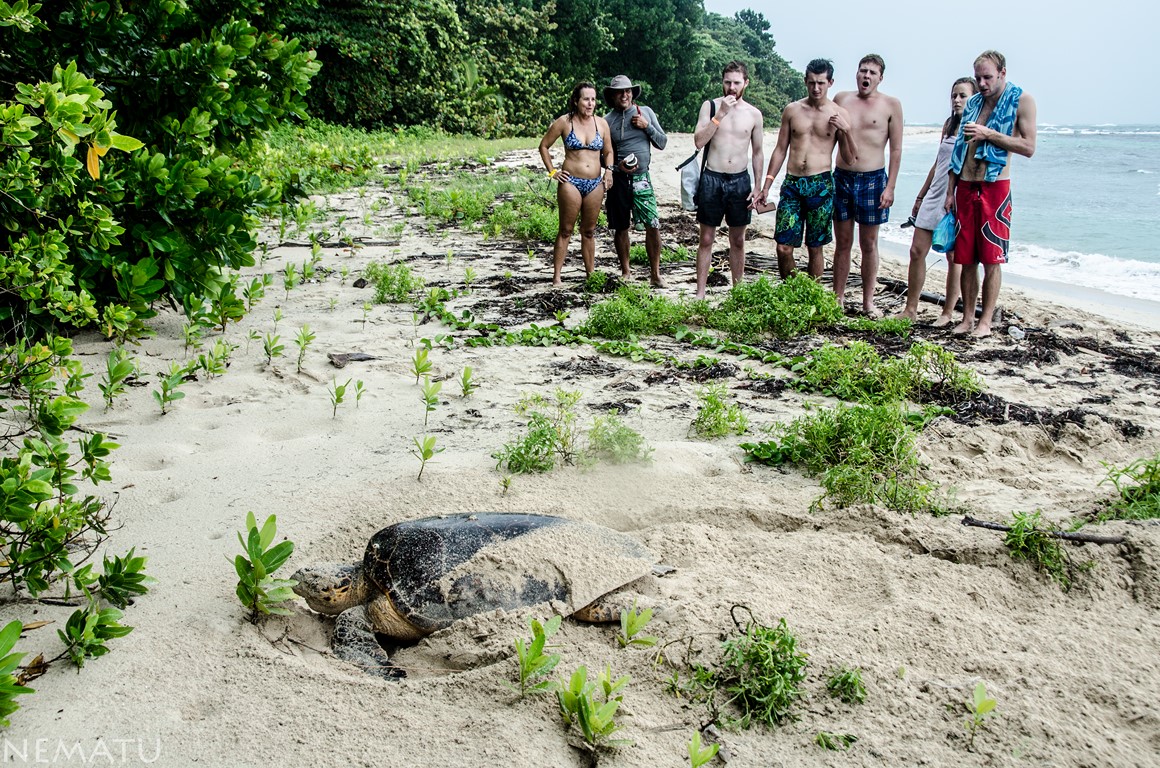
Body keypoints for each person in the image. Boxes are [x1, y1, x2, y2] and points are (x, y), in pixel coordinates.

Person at [944, 50, 1037, 337]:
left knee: (991, 258)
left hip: (994, 187)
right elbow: (959, 150)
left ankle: (985, 322)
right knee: (965, 258)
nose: (982, 84)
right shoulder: (974, 102)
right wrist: (950, 191)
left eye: (987, 77)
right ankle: (967, 319)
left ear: (1002, 73)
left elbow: (1028, 147)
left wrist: (989, 134)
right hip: (964, 185)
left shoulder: (1021, 100)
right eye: (978, 78)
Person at [755, 59, 856, 280]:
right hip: (792, 184)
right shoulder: (792, 110)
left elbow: (850, 159)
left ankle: (810, 292)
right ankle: (792, 291)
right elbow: (780, 149)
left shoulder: (839, 114)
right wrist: (767, 185)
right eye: (811, 83)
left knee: (815, 247)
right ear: (805, 81)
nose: (816, 88)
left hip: (821, 184)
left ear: (830, 82)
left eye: (821, 83)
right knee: (783, 247)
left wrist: (846, 131)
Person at [895, 77, 979, 326]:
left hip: (957, 197)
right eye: (954, 95)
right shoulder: (949, 125)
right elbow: (938, 163)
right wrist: (921, 195)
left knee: (954, 257)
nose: (956, 100)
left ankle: (947, 313)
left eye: (962, 96)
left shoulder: (976, 127)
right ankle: (910, 308)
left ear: (974, 98)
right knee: (916, 250)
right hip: (935, 193)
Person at [832, 54, 904, 317]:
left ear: (880, 78)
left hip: (873, 179)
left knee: (869, 243)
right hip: (842, 176)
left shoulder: (891, 105)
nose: (866, 76)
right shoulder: (841, 99)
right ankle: (838, 298)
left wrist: (890, 186)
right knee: (843, 242)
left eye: (872, 72)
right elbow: (828, 138)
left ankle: (868, 301)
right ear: (856, 73)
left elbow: (896, 149)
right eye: (863, 71)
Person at [691, 61, 765, 299]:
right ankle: (700, 293)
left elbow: (757, 152)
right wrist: (719, 115)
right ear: (722, 82)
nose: (732, 87)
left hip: (740, 180)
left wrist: (758, 186)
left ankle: (737, 292)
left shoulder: (754, 114)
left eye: (736, 83)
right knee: (706, 238)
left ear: (746, 83)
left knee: (738, 239)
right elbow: (699, 141)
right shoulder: (710, 106)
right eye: (727, 82)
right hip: (712, 177)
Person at [538, 83, 616, 287]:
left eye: (593, 99)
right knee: (566, 229)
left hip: (595, 183)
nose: (590, 104)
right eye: (586, 99)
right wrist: (553, 171)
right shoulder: (564, 122)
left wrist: (609, 170)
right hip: (570, 182)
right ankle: (556, 276)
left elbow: (608, 151)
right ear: (576, 101)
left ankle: (590, 275)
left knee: (589, 231)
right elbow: (544, 146)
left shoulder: (601, 124)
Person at [603, 75, 668, 287]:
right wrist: (616, 167)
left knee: (653, 224)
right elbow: (602, 155)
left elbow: (662, 142)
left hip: (642, 178)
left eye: (628, 91)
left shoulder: (645, 112)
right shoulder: (606, 121)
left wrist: (646, 126)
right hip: (619, 179)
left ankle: (655, 274)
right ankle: (626, 272)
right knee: (621, 227)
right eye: (620, 92)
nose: (624, 95)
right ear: (612, 96)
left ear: (632, 93)